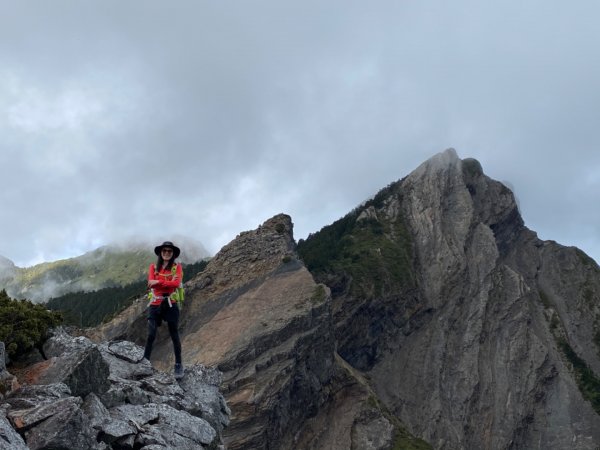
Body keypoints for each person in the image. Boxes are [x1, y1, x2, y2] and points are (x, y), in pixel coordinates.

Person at [144, 241, 184, 379]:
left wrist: (159, 282)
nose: (167, 253)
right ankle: (144, 363)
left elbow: (176, 283)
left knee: (174, 334)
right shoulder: (153, 267)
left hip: (171, 303)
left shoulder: (177, 268)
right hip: (155, 303)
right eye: (164, 251)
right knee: (151, 334)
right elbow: (150, 284)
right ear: (161, 252)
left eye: (169, 251)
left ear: (173, 254)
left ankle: (178, 365)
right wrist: (165, 283)